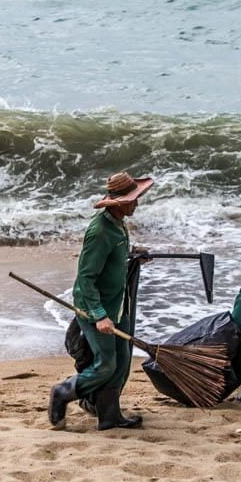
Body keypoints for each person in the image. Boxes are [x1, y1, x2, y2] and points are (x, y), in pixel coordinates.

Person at [48, 171, 153, 431]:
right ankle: (63, 392)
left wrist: (132, 255)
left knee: (121, 362)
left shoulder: (118, 222)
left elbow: (112, 260)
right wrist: (99, 315)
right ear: (118, 202)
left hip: (118, 304)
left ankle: (109, 416)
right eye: (133, 199)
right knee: (106, 365)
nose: (136, 203)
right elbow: (86, 278)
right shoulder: (99, 231)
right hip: (97, 308)